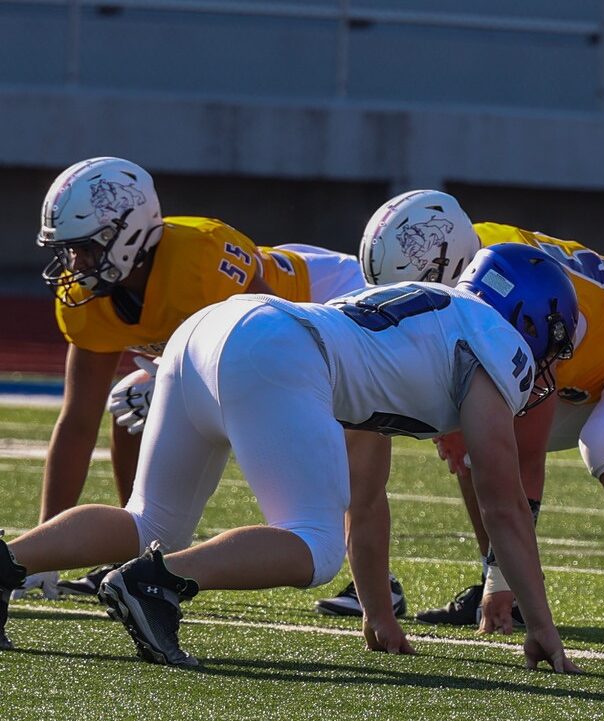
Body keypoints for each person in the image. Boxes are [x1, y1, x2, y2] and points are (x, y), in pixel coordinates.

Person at [0, 244, 582, 674]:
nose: (546, 364)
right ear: (531, 316)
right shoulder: (496, 340)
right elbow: (503, 504)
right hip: (276, 345)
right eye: (551, 341)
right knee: (315, 544)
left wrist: (378, 612)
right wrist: (542, 626)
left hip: (212, 328)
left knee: (149, 521)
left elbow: (367, 488)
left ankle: (8, 561)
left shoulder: (424, 322)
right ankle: (157, 584)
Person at [313, 190, 604, 641]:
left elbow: (525, 455)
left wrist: (503, 583)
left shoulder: (512, 293)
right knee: (470, 422)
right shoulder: (480, 267)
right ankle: (497, 577)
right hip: (596, 360)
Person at [16, 157, 366, 601]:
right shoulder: (90, 299)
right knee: (129, 404)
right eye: (69, 250)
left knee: (356, 429)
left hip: (324, 304)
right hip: (234, 346)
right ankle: (132, 560)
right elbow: (76, 421)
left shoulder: (200, 258)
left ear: (130, 233)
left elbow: (278, 337)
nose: (76, 263)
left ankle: (377, 579)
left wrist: (167, 379)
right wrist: (47, 547)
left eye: (88, 247)